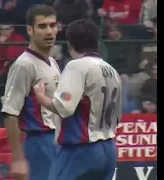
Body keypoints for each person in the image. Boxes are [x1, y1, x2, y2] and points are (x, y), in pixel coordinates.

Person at [33, 19, 122, 180]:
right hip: (109, 147)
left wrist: (40, 96)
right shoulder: (111, 70)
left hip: (81, 149)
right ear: (97, 41)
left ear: (70, 44)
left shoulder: (77, 66)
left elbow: (63, 107)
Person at [1, 4, 60, 180]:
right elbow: (10, 113)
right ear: (30, 30)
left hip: (56, 139)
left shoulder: (52, 62)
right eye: (42, 26)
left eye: (52, 25)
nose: (49, 31)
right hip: (38, 142)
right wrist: (18, 158)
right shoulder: (23, 65)